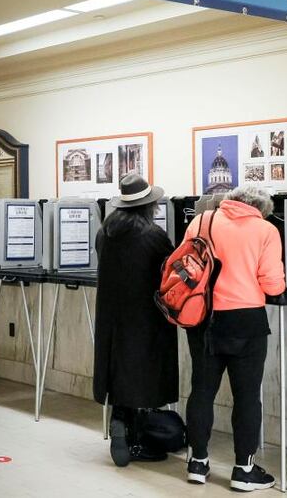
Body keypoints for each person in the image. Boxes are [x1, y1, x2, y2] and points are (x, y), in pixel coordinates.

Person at [183, 185, 285, 492]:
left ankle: (197, 463)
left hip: (202, 317)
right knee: (246, 396)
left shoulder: (201, 221)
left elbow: (186, 266)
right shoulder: (265, 230)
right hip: (245, 321)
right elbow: (273, 285)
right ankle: (244, 470)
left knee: (201, 390)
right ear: (260, 208)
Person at [93, 174, 177, 467]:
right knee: (144, 373)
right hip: (145, 316)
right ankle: (139, 438)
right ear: (149, 205)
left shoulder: (104, 232)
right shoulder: (152, 235)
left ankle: (119, 419)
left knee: (118, 369)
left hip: (111, 316)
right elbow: (169, 272)